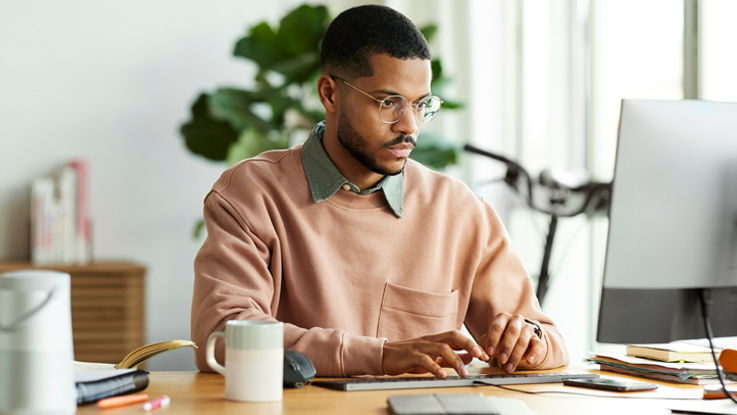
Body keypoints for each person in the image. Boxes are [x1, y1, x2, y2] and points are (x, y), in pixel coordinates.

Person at [191, 4, 568, 378]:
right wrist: (382, 356)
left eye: (421, 106)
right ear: (330, 94)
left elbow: (549, 340)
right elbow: (222, 338)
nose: (410, 127)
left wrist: (528, 341)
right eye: (389, 103)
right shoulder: (251, 195)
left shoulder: (460, 210)